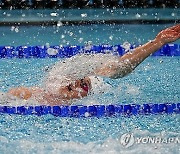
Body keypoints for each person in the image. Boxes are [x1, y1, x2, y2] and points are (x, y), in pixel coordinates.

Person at [7, 24, 180, 105]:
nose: (76, 82)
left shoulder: (94, 81)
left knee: (116, 70)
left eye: (79, 82)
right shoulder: (46, 96)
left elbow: (121, 67)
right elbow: (9, 95)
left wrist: (158, 42)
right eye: (72, 87)